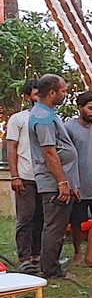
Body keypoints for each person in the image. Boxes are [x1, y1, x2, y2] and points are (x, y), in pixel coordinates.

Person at [28, 74, 80, 280]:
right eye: (63, 91)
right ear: (52, 93)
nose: (65, 94)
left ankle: (52, 264)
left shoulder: (48, 113)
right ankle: (51, 270)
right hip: (53, 182)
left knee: (57, 225)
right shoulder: (42, 117)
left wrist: (71, 181)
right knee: (55, 226)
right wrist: (62, 181)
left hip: (60, 180)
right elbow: (49, 152)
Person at [64, 91, 92, 267]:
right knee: (76, 220)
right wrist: (70, 182)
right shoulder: (68, 128)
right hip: (76, 182)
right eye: (90, 108)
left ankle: (90, 255)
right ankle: (77, 253)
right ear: (80, 108)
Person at [5, 79, 42, 273]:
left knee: (41, 219)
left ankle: (38, 255)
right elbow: (11, 147)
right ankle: (25, 258)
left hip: (45, 178)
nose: (39, 97)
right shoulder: (18, 119)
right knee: (25, 219)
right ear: (28, 97)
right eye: (36, 94)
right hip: (25, 176)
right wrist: (14, 176)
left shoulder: (50, 118)